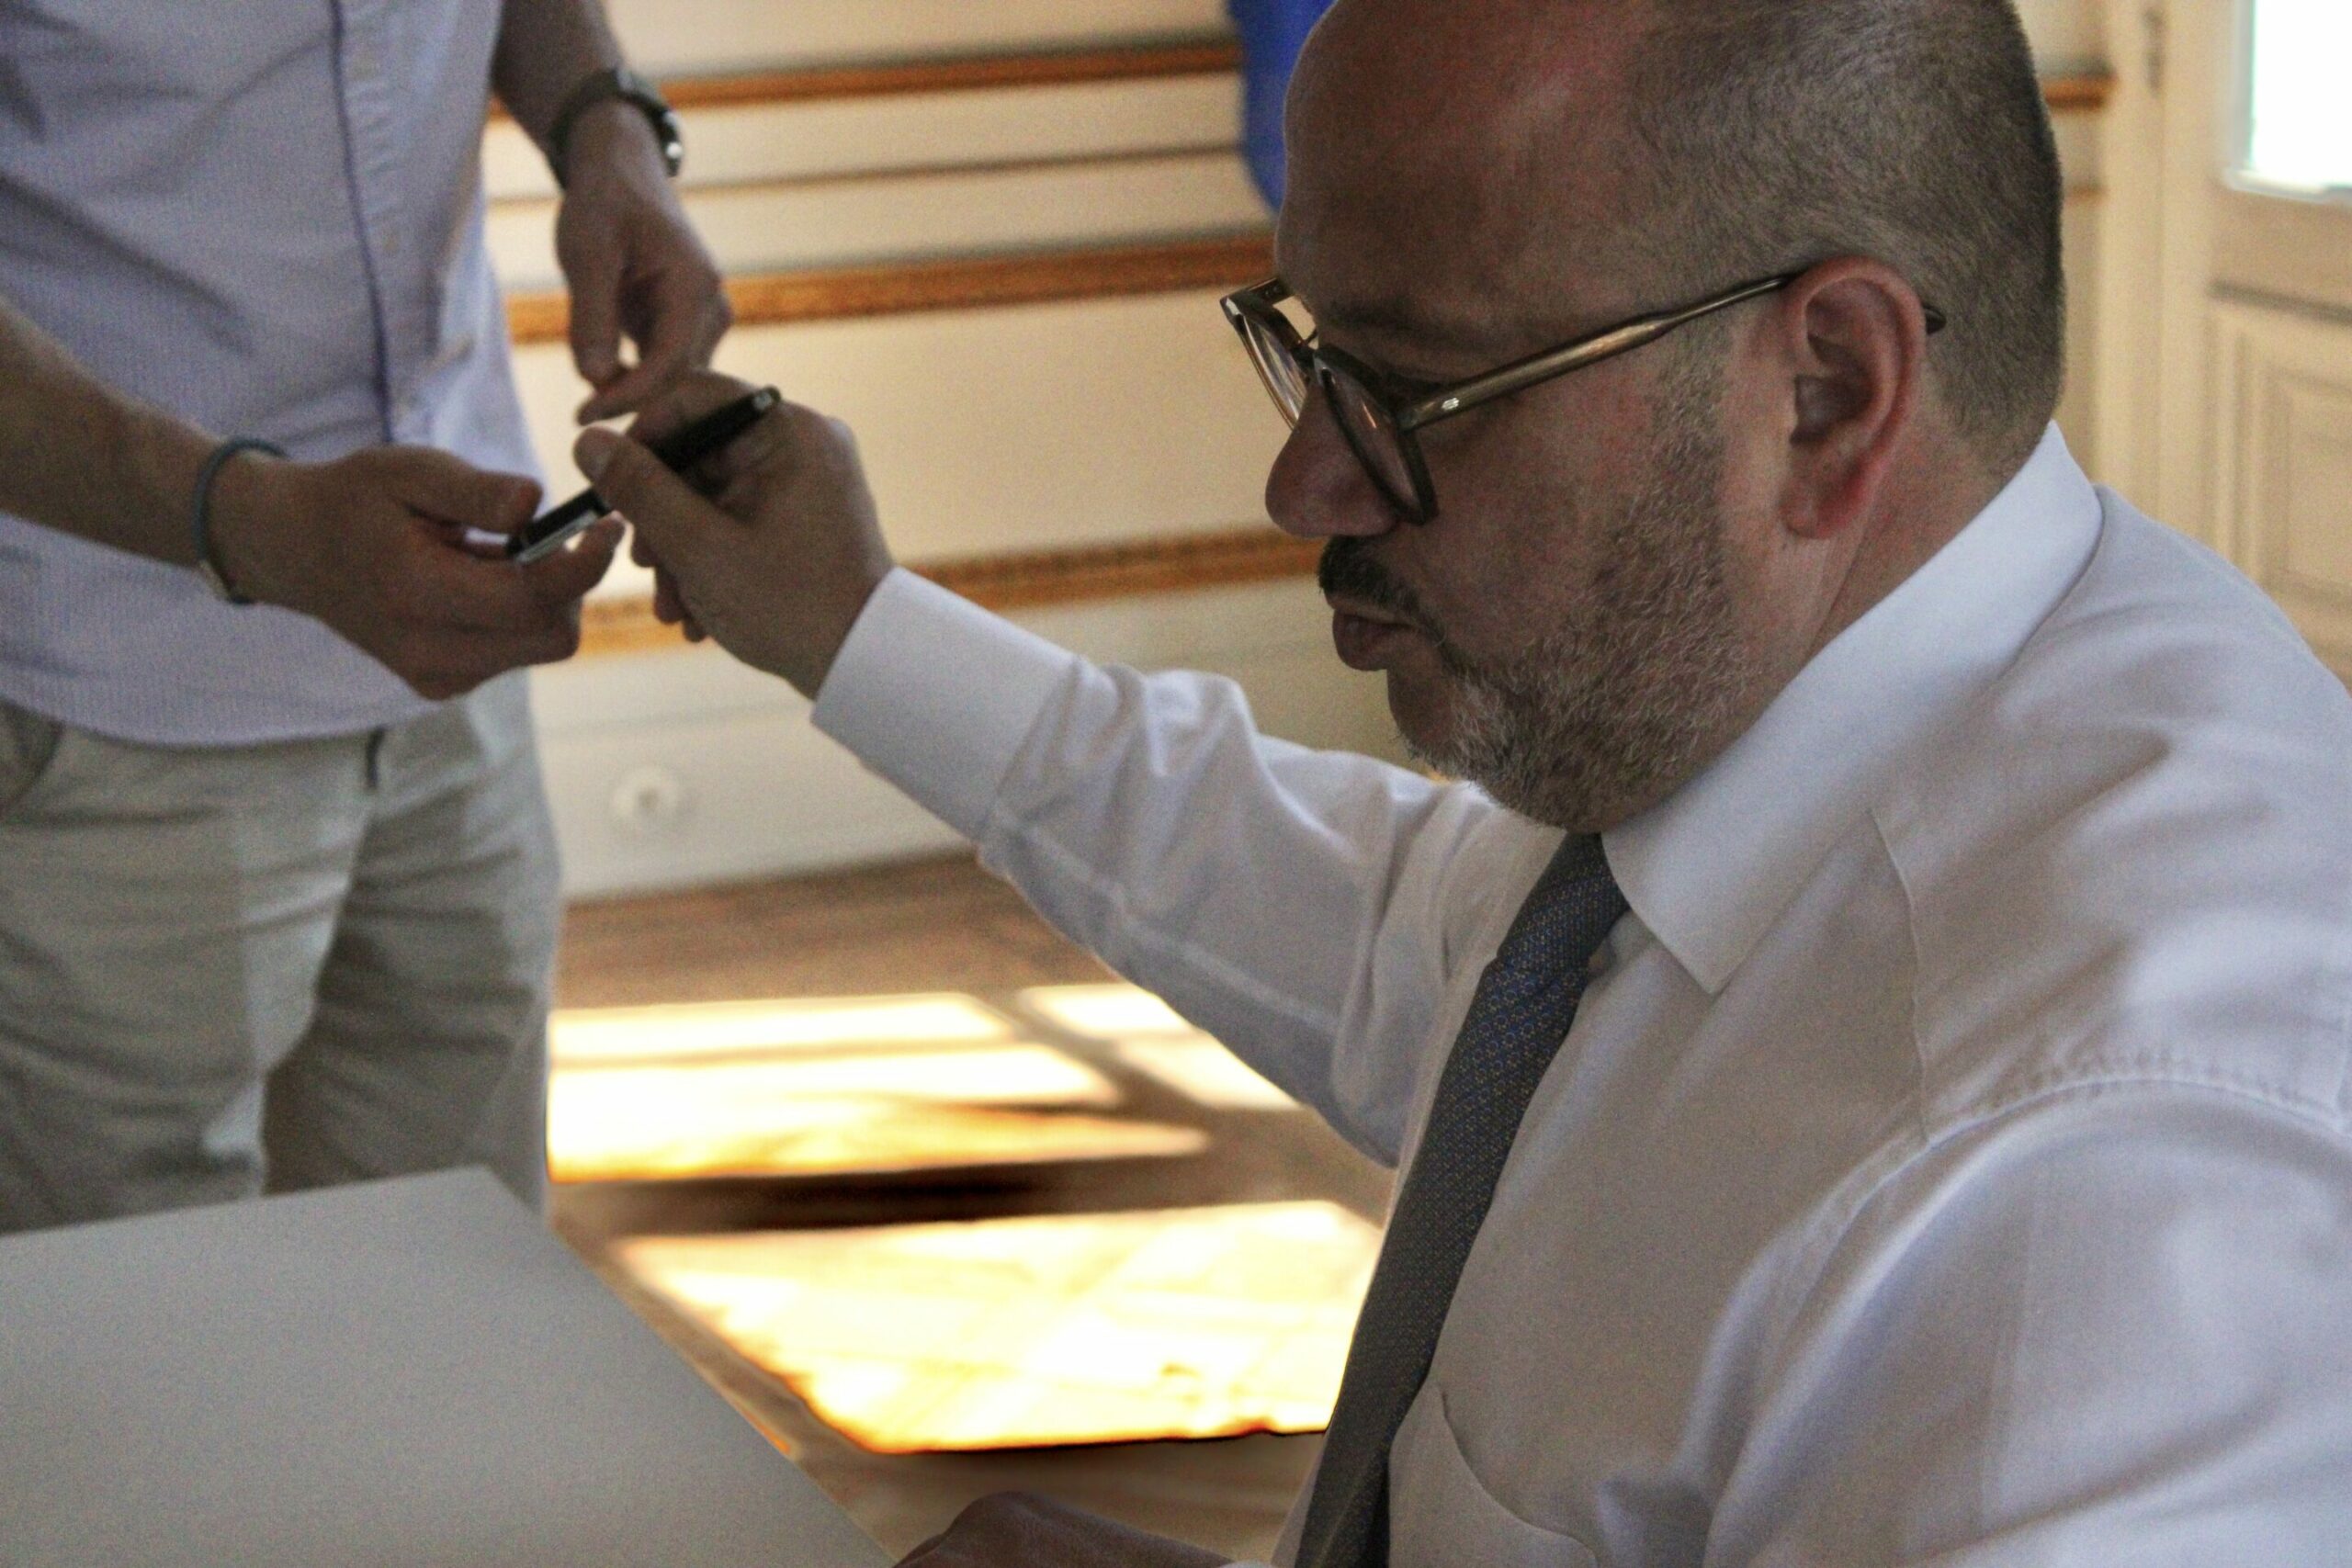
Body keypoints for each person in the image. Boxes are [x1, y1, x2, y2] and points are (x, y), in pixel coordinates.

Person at [582, 0, 2352, 1561]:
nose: (1303, 487)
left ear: (1823, 392)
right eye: (1309, 354)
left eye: (1413, 392)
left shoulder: (2094, 1188)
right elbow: (1410, 944)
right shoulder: (1799, 729)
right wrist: (852, 625)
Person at [0, 0, 727, 1231]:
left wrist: (604, 121)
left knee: (460, 1270)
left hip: (458, 658)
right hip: (103, 691)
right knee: (130, 1316)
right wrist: (249, 520)